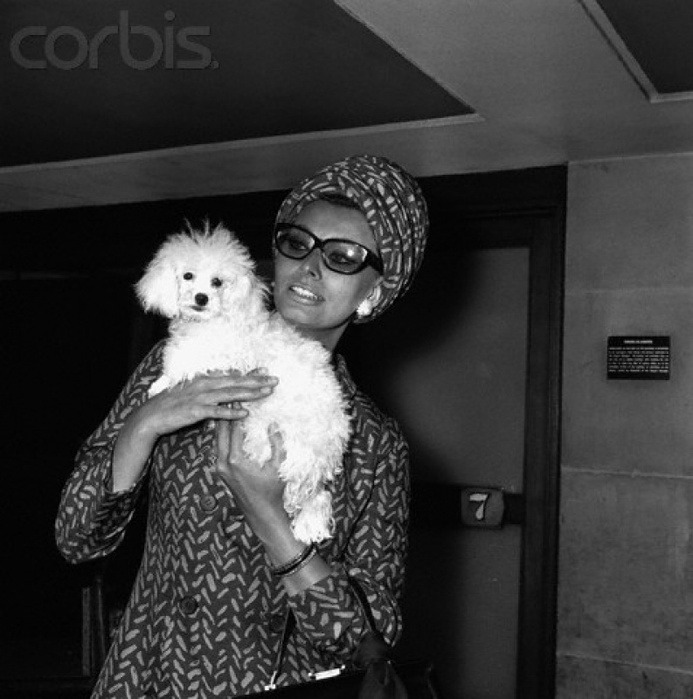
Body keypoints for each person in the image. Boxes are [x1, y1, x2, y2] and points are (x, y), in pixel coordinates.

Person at [55, 154, 429, 697]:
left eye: (344, 257)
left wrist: (270, 518)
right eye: (297, 243)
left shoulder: (374, 444)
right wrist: (144, 423)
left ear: (374, 292)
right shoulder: (181, 362)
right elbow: (76, 538)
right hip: (145, 677)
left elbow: (366, 641)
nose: (310, 267)